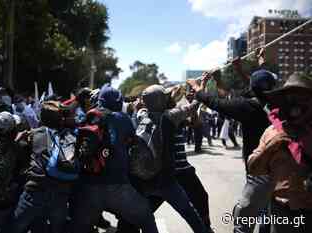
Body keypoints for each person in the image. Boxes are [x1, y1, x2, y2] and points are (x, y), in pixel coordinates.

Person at [187, 52, 277, 233]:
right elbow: (261, 84)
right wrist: (247, 67)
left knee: (244, 218)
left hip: (259, 170)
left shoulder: (248, 107)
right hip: (281, 168)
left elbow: (216, 103)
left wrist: (198, 88)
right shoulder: (279, 101)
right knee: (270, 210)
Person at [117, 85, 208, 233]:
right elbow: (193, 107)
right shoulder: (169, 117)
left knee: (140, 218)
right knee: (189, 213)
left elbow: (141, 108)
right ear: (160, 100)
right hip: (166, 181)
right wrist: (198, 91)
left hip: (143, 179)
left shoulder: (140, 116)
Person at [71, 84, 159, 233]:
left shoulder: (89, 117)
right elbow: (134, 142)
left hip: (89, 187)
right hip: (118, 186)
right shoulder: (123, 119)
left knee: (79, 227)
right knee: (146, 218)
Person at [248, 73, 312, 233]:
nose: (296, 104)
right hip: (281, 212)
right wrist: (271, 147)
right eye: (291, 98)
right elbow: (253, 169)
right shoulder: (272, 133)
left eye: (302, 97)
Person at [1, 101, 78, 233]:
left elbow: (13, 154)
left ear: (41, 117)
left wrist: (17, 140)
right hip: (61, 193)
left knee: (12, 228)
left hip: (35, 191)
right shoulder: (69, 135)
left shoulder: (34, 134)